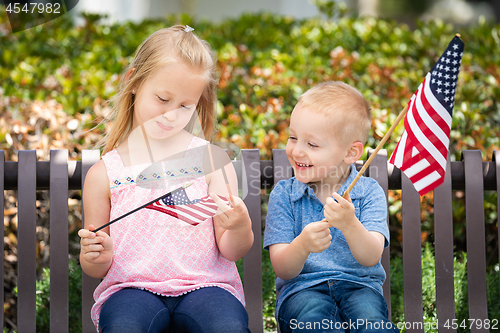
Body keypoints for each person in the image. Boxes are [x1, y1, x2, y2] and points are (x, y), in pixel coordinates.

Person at [78, 25, 253, 333]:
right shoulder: (105, 174)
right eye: (162, 98)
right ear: (134, 81)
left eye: (185, 105)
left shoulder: (212, 161)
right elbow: (95, 267)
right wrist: (96, 254)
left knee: (227, 326)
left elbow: (231, 250)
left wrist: (239, 226)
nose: (171, 114)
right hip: (130, 289)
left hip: (206, 287)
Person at [264, 81, 398, 332]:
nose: (297, 151)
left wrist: (350, 224)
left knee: (371, 325)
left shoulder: (368, 193)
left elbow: (370, 257)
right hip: (302, 291)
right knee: (313, 323)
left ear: (350, 153)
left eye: (312, 144)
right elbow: (283, 268)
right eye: (293, 138)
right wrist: (302, 245)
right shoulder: (284, 195)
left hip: (360, 289)